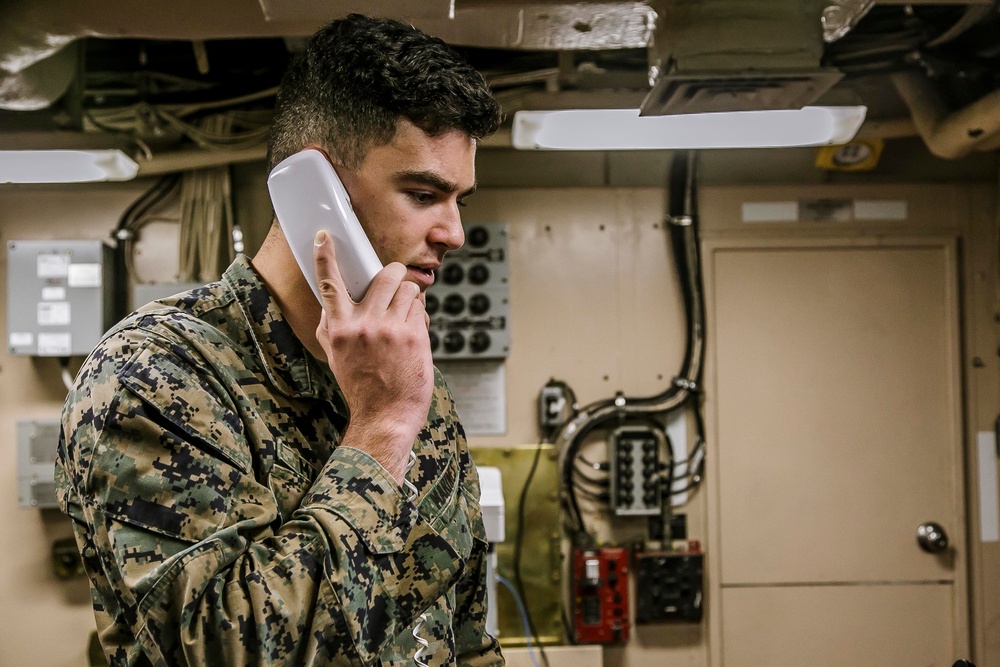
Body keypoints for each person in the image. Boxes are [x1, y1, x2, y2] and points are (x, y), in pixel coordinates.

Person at [55, 13, 504, 666]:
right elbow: (223, 652)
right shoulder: (153, 374)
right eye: (423, 193)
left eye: (459, 198)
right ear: (315, 193)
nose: (454, 231)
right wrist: (378, 432)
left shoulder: (416, 397)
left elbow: (463, 637)